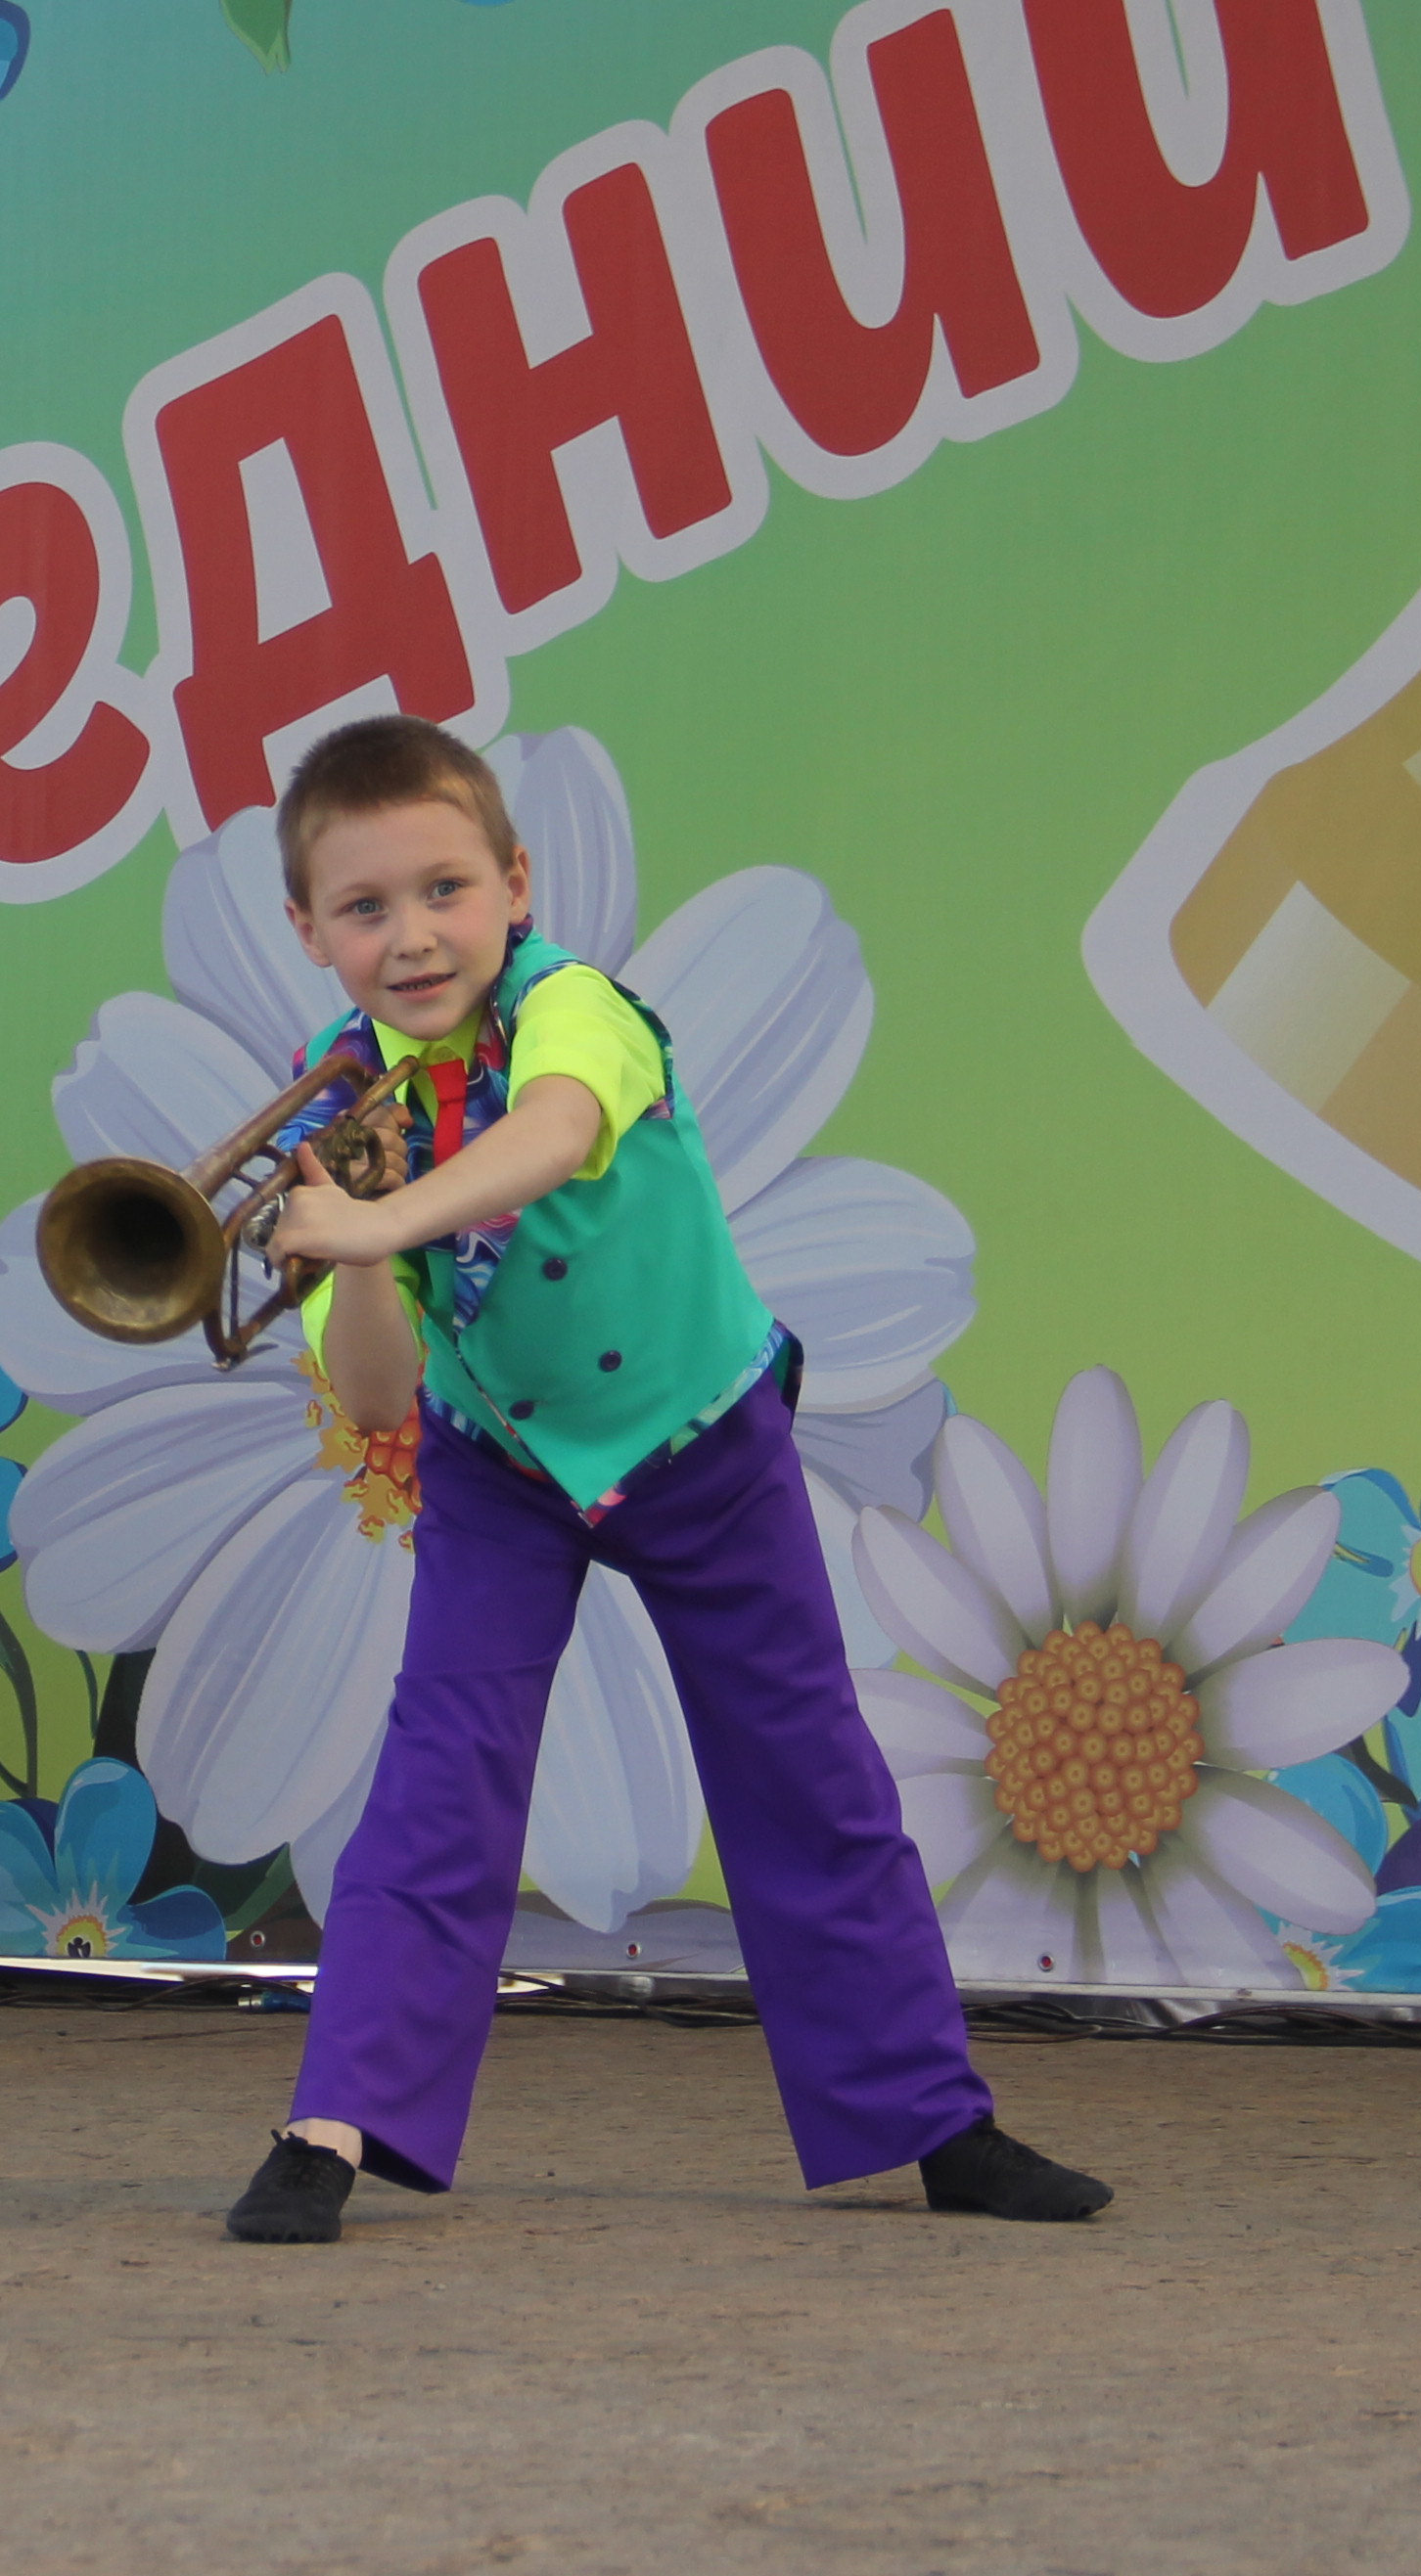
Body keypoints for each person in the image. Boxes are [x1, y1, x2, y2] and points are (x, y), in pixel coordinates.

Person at [214, 717, 1109, 2240]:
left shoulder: (579, 1010)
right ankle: (336, 2120)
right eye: (365, 908)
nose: (413, 936)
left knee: (805, 1774)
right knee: (437, 1784)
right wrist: (349, 1250)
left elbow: (556, 1138)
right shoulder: (329, 1107)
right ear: (308, 932)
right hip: (503, 1464)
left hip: (703, 1440)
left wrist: (376, 1222)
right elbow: (374, 1390)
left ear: (516, 881)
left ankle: (938, 2124)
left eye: (445, 889)